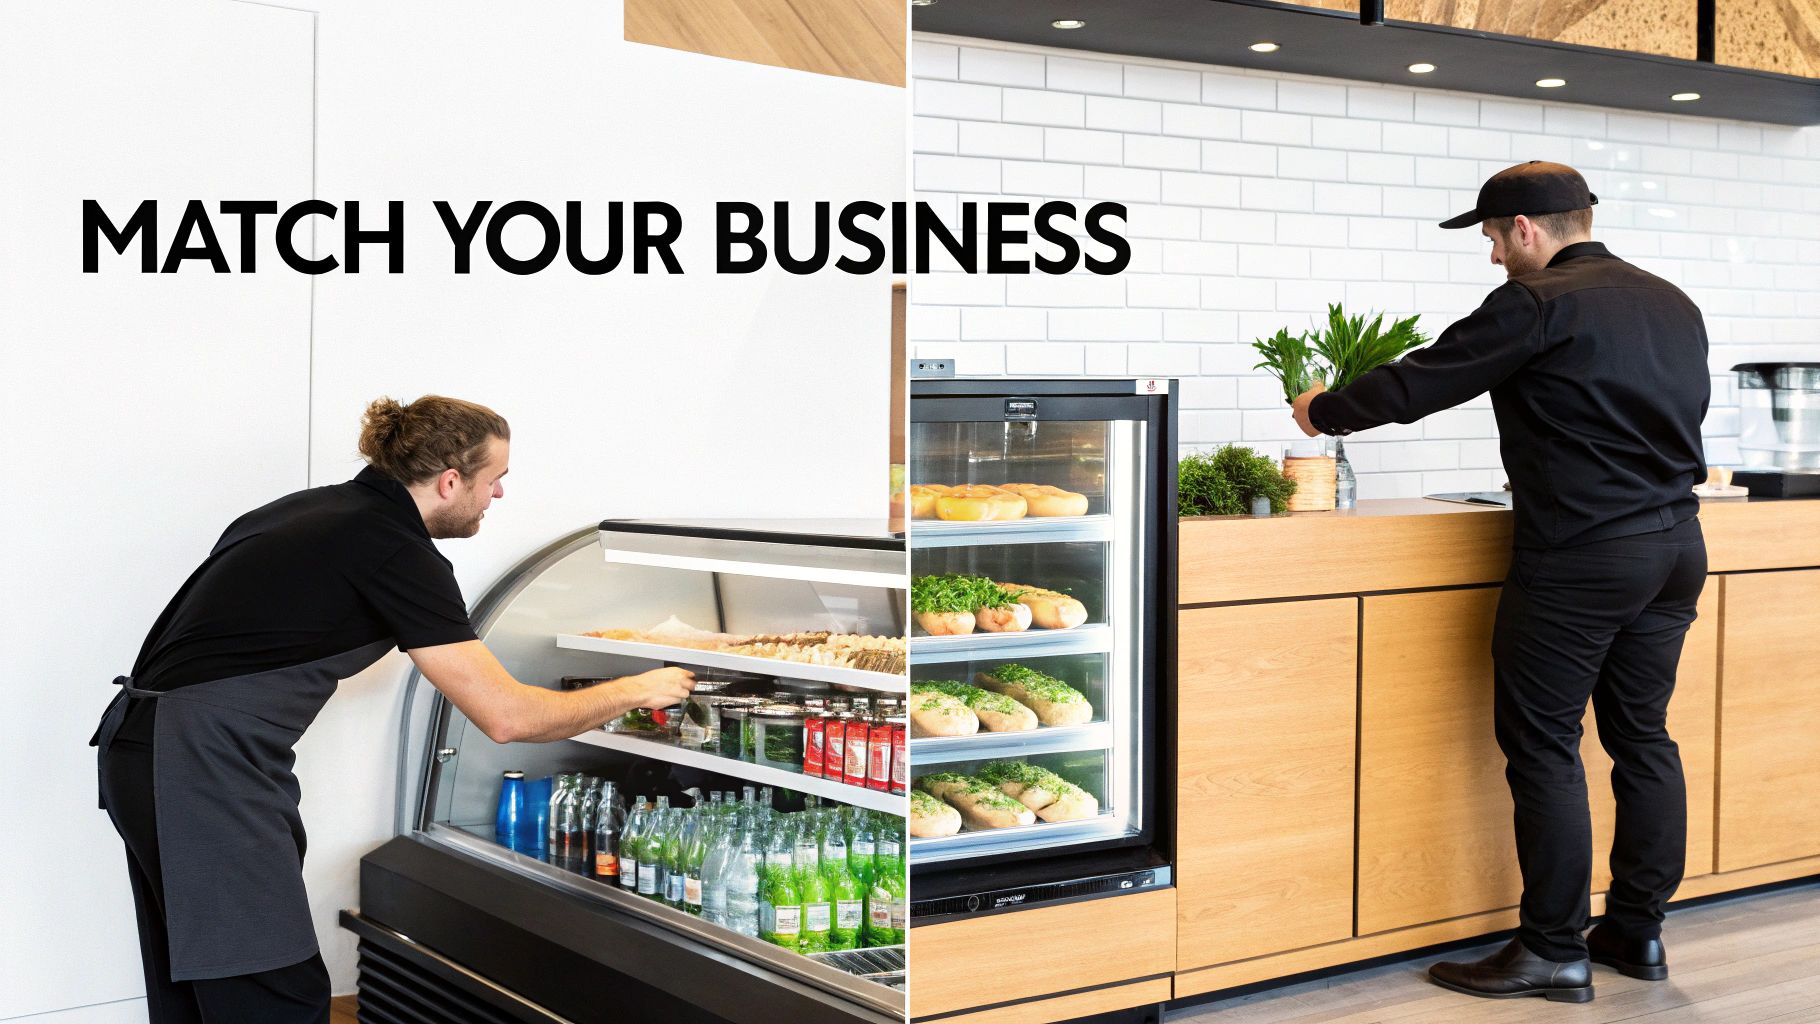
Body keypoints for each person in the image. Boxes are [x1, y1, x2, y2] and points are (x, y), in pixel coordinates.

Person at [90, 395, 696, 1024]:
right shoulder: (394, 550)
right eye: (497, 480)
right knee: (271, 994)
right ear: (450, 480)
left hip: (147, 751)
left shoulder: (310, 510)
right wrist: (635, 690)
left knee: (197, 987)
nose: (499, 497)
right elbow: (508, 716)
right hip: (199, 767)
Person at [1291, 162, 1710, 1004]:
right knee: (1644, 739)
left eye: (1489, 235)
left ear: (1525, 227)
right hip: (1675, 545)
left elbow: (1428, 379)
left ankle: (1554, 949)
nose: (1490, 255)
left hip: (1583, 555)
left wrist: (1324, 410)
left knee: (1546, 745)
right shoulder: (1671, 299)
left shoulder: (1538, 301)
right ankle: (1637, 929)